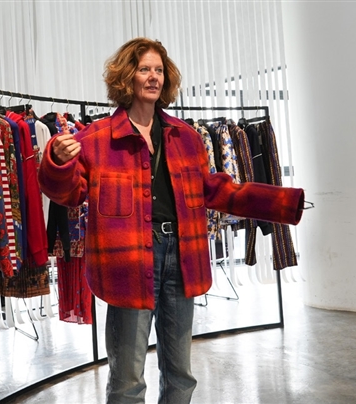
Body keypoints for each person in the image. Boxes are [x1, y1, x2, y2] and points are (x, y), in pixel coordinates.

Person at [37, 37, 304, 403]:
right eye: (144, 69)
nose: (153, 77)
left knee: (181, 376)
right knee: (127, 381)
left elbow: (216, 190)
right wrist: (57, 161)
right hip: (129, 264)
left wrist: (283, 203)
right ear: (127, 76)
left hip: (182, 257)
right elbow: (69, 195)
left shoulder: (187, 138)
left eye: (159, 70)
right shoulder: (96, 139)